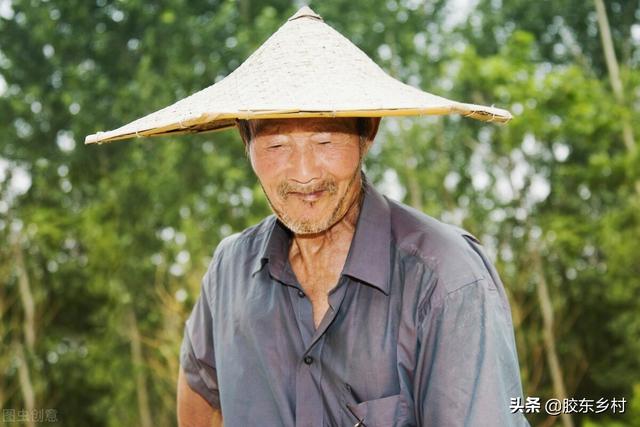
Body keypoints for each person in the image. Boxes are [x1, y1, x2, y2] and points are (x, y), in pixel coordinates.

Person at [84, 6, 528, 427]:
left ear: (367, 132)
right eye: (276, 146)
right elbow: (201, 388)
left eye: (325, 141)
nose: (303, 174)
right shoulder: (230, 270)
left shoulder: (446, 278)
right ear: (245, 141)